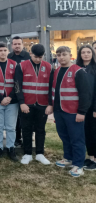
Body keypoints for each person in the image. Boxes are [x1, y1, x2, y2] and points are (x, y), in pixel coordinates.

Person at [51, 46, 91, 177]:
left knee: (77, 139)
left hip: (73, 112)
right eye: (59, 55)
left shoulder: (78, 71)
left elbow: (85, 94)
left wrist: (82, 112)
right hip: (59, 111)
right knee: (64, 137)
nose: (61, 57)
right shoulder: (56, 71)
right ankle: (68, 158)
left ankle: (78, 165)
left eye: (64, 54)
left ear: (70, 55)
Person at [14, 44, 52, 165]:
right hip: (27, 104)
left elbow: (51, 87)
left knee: (41, 129)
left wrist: (50, 104)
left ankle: (40, 153)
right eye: (35, 56)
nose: (38, 59)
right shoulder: (22, 66)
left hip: (42, 104)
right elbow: (17, 85)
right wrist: (21, 102)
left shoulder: (49, 67)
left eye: (40, 57)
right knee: (26, 128)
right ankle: (27, 153)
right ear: (30, 54)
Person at [8, 36, 30, 147]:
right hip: (12, 91)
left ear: (22, 45)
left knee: (25, 118)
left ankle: (27, 138)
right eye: (15, 44)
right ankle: (17, 138)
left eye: (19, 44)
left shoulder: (28, 57)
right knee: (15, 119)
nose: (17, 46)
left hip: (25, 91)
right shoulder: (8, 57)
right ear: (12, 45)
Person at [76, 45, 96, 171]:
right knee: (84, 133)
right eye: (83, 52)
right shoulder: (77, 69)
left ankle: (94, 159)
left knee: (93, 133)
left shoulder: (95, 68)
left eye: (89, 52)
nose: (86, 54)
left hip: (92, 107)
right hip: (81, 107)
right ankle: (89, 157)